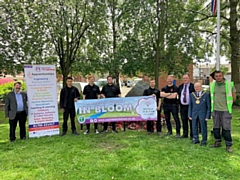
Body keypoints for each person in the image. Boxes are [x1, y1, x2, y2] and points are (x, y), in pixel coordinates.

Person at [210, 70, 236, 153]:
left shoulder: (229, 84)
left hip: (225, 110)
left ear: (222, 76)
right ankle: (217, 142)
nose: (218, 77)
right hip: (215, 110)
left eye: (220, 76)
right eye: (216, 76)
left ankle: (228, 145)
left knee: (226, 128)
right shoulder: (212, 85)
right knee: (216, 128)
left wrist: (228, 105)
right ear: (214, 77)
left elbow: (234, 97)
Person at [178, 74, 195, 139]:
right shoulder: (180, 87)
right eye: (184, 78)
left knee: (191, 120)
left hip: (190, 106)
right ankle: (185, 134)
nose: (185, 79)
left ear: (189, 78)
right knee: (184, 120)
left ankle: (192, 134)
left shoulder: (192, 86)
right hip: (182, 106)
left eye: (186, 78)